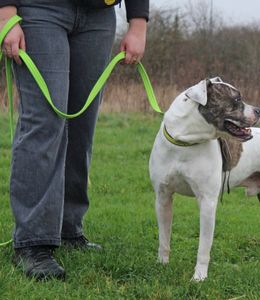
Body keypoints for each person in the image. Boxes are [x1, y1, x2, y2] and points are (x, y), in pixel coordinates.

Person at [0, 0, 148, 280]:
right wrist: (6, 13)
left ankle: (68, 229)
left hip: (99, 14)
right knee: (45, 120)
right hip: (40, 9)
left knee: (82, 125)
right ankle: (33, 242)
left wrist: (138, 23)